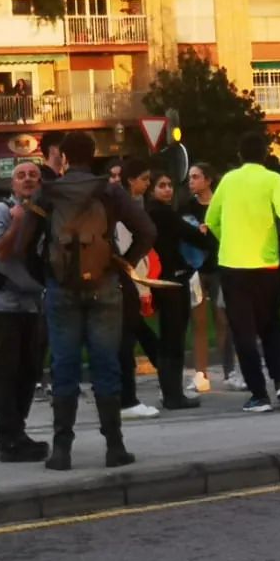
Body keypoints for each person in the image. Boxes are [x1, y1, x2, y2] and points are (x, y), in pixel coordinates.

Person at [11, 131, 153, 471]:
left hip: (61, 290)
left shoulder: (49, 193)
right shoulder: (111, 191)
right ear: (94, 155)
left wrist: (45, 275)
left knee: (64, 367)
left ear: (64, 158)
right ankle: (115, 447)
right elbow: (147, 231)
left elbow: (22, 246)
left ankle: (62, 450)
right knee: (106, 364)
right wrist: (123, 264)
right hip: (104, 285)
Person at [205, 133, 280, 414]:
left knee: (243, 331)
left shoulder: (227, 180)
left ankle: (259, 394)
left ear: (239, 156)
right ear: (265, 156)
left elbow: (211, 219)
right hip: (267, 265)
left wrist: (227, 238)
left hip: (234, 266)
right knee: (272, 324)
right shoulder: (273, 180)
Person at [0, 162, 48, 461]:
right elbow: (1, 252)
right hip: (3, 306)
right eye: (21, 175)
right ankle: (8, 438)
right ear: (12, 184)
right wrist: (18, 221)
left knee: (28, 372)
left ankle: (18, 431)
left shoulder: (46, 215)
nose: (28, 179)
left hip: (33, 306)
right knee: (5, 373)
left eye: (34, 175)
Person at [145, 171, 214, 409]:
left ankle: (171, 392)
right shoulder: (162, 213)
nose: (167, 189)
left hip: (162, 279)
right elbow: (191, 235)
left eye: (169, 185)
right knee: (173, 338)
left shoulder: (152, 211)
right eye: (161, 185)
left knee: (169, 337)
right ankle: (173, 394)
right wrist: (204, 234)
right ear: (151, 189)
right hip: (172, 280)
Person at [116, 157, 161, 419]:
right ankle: (127, 399)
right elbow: (131, 243)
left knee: (133, 336)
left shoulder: (131, 204)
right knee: (126, 339)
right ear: (130, 180)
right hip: (126, 281)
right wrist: (130, 268)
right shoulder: (124, 208)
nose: (147, 184)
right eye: (144, 179)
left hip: (127, 280)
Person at [183, 163, 233, 393]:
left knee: (224, 320)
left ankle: (229, 371)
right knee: (199, 322)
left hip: (220, 267)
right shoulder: (187, 207)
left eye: (196, 177)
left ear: (208, 180)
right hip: (196, 271)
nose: (191, 181)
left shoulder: (221, 205)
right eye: (190, 177)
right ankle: (200, 374)